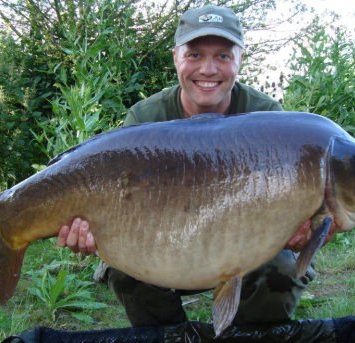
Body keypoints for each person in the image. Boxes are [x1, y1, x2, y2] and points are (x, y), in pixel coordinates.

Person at [56, 5, 334, 336]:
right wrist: (87, 230)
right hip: (167, 249)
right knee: (124, 271)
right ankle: (169, 334)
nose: (208, 68)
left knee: (283, 264)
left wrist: (305, 227)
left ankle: (254, 334)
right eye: (195, 54)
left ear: (240, 59)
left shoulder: (267, 118)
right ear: (176, 57)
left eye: (223, 56)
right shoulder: (145, 119)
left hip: (245, 247)